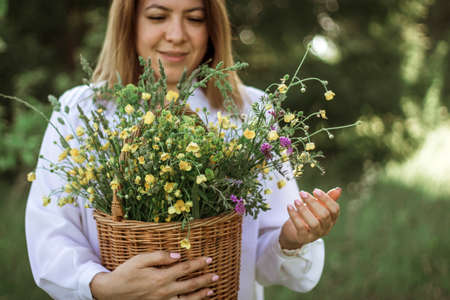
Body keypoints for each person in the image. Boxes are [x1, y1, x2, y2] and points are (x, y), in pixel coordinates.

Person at [25, 0, 342, 299]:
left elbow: (259, 257)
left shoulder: (250, 113)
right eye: (158, 16)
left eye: (194, 18)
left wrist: (292, 238)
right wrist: (103, 286)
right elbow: (51, 237)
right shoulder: (82, 111)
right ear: (129, 22)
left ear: (212, 27)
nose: (176, 35)